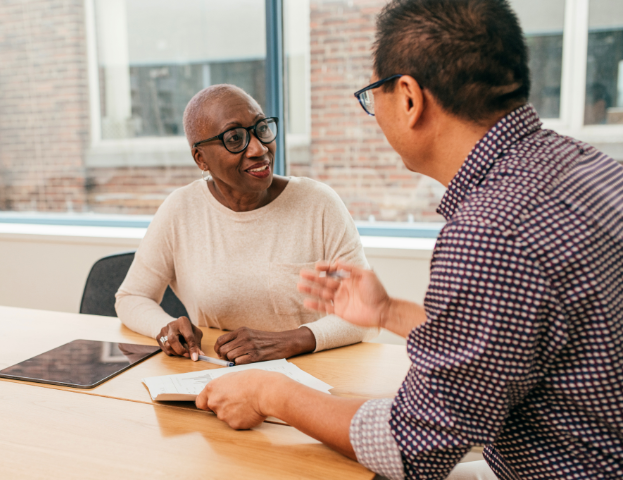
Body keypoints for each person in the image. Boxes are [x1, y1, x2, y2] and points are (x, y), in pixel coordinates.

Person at [195, 1, 623, 479]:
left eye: (372, 94)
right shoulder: (590, 168)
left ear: (409, 97)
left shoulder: (492, 232)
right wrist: (388, 313)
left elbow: (412, 448)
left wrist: (270, 392)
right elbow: (520, 339)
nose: (374, 114)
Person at [115, 84, 377, 365]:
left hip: (313, 372)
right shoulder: (181, 209)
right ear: (201, 158)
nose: (259, 148)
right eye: (235, 138)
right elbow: (132, 297)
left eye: (261, 129)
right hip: (217, 372)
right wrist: (165, 328)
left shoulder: (318, 204)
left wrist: (288, 341)